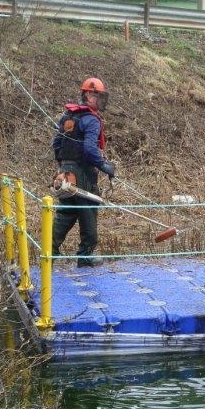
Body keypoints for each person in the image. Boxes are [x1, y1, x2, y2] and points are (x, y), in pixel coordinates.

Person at [52, 77, 116, 267]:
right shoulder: (92, 120)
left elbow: (56, 144)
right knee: (88, 211)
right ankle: (85, 256)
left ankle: (50, 252)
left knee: (66, 212)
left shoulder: (67, 117)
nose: (102, 101)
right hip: (83, 173)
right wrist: (104, 166)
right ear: (89, 95)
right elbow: (89, 149)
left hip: (65, 171)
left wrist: (64, 167)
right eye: (99, 96)